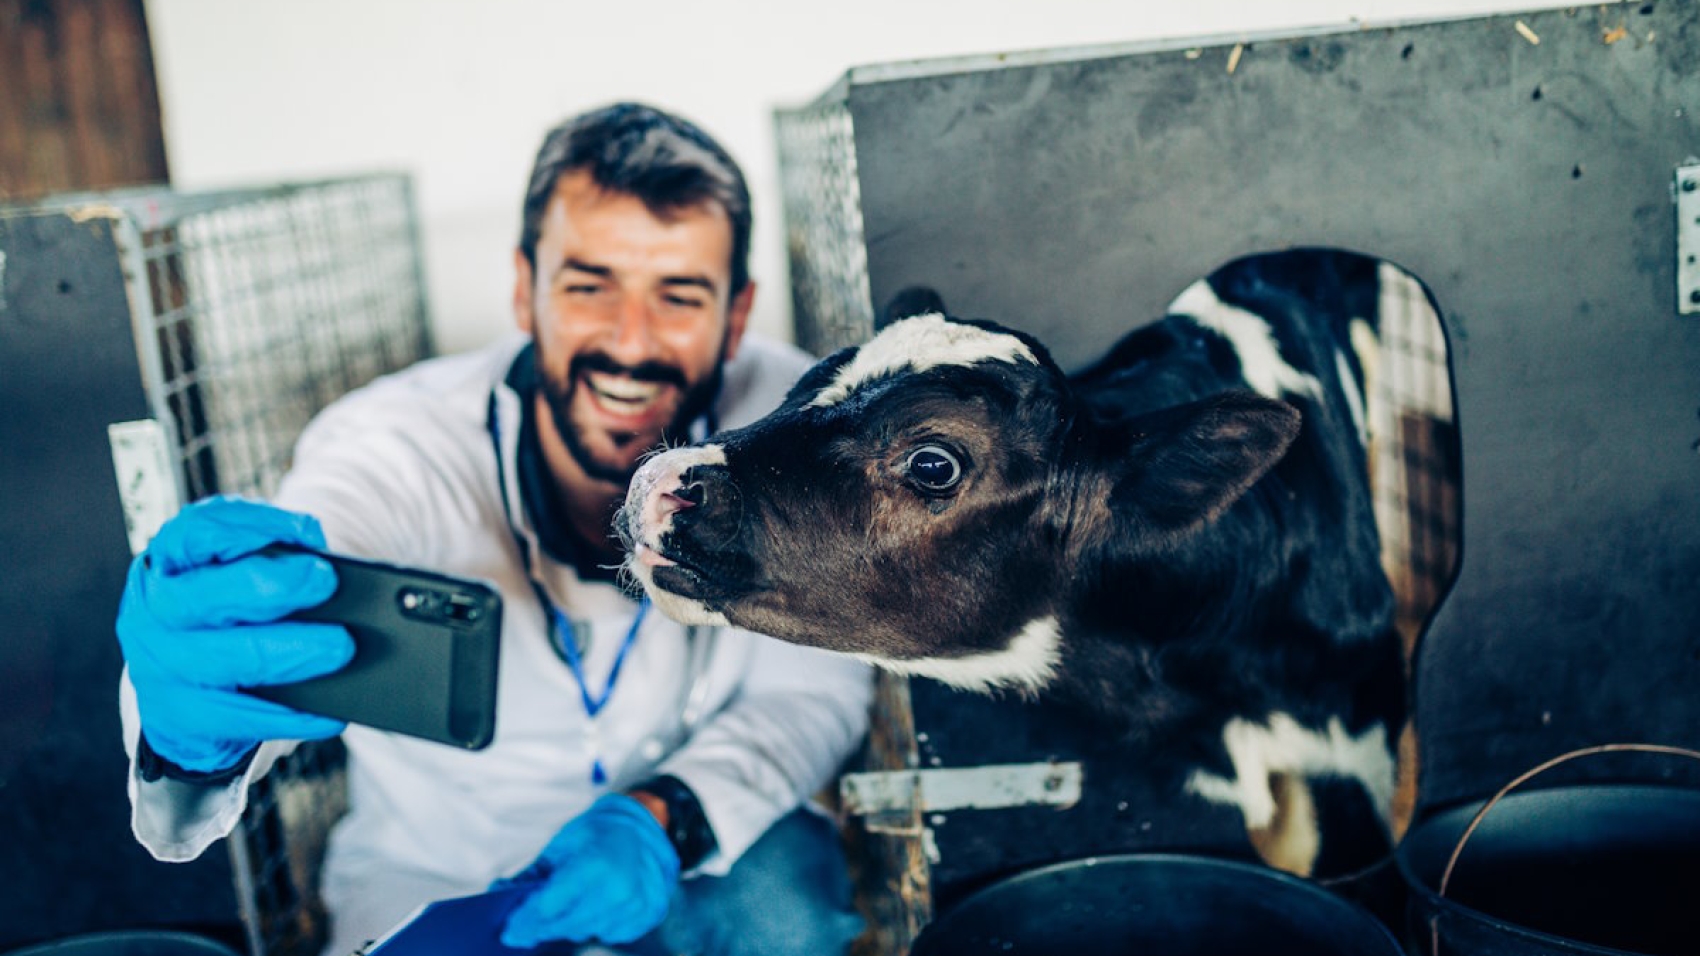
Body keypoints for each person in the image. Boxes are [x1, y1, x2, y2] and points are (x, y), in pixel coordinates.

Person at [115, 102, 873, 956]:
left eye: (680, 296)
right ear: (524, 289)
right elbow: (331, 538)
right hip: (443, 870)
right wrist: (193, 730)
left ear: (737, 315)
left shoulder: (793, 423)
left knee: (786, 919)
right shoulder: (402, 441)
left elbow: (812, 691)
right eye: (589, 286)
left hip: (700, 849)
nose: (630, 341)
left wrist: (667, 817)